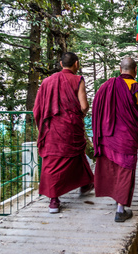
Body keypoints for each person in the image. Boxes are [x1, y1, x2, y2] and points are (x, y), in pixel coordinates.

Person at [92, 57, 138, 222]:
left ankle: (117, 199)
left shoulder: (106, 86)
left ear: (120, 69)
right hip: (127, 136)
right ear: (135, 71)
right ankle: (120, 209)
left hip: (108, 134)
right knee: (126, 168)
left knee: (113, 165)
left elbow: (96, 108)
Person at [33, 52, 94, 214]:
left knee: (52, 161)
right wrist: (79, 115)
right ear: (76, 64)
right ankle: (85, 184)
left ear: (61, 64)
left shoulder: (46, 82)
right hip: (71, 127)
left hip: (52, 129)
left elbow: (37, 109)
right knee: (76, 154)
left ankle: (54, 201)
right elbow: (83, 106)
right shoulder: (78, 80)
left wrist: (42, 126)